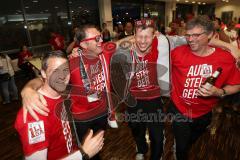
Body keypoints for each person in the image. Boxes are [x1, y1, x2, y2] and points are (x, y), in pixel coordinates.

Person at [20, 25, 118, 160]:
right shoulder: (73, 61)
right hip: (82, 117)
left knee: (96, 147)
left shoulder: (58, 96)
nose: (100, 40)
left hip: (101, 112)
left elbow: (127, 42)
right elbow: (41, 80)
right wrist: (27, 90)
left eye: (100, 36)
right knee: (89, 150)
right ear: (84, 44)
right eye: (96, 38)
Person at [167, 15, 240, 160]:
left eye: (196, 35)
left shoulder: (225, 58)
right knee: (182, 148)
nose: (190, 39)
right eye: (188, 35)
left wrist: (220, 91)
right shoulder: (177, 53)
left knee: (191, 140)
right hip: (180, 108)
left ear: (210, 35)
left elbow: (237, 84)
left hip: (204, 112)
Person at [15, 50, 104, 160]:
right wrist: (83, 154)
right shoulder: (35, 112)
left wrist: (28, 88)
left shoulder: (62, 95)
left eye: (66, 70)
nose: (62, 76)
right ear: (43, 73)